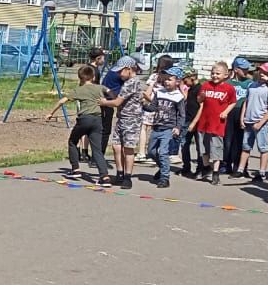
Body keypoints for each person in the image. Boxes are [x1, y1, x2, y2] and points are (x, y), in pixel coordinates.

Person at [47, 64, 110, 184]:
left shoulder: (79, 90)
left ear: (80, 78)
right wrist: (109, 102)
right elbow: (110, 93)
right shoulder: (100, 87)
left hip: (84, 119)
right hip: (97, 120)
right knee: (97, 149)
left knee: (72, 141)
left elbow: (62, 101)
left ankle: (75, 169)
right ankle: (104, 176)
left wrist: (51, 113)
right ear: (93, 77)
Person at [188, 60, 236, 186]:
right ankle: (206, 167)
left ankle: (215, 173)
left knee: (216, 149)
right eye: (213, 73)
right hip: (204, 122)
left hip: (217, 124)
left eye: (218, 74)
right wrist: (201, 97)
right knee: (203, 149)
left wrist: (226, 112)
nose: (215, 76)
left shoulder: (229, 89)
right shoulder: (205, 86)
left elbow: (233, 102)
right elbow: (200, 101)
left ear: (226, 75)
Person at [100, 57, 143, 189]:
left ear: (128, 69)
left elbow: (117, 102)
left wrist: (104, 102)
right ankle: (119, 173)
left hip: (132, 119)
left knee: (128, 148)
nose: (119, 74)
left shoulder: (132, 83)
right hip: (122, 118)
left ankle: (127, 177)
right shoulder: (127, 82)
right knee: (116, 145)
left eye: (120, 72)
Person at [142, 66, 185, 188]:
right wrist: (143, 105)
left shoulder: (179, 96)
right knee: (151, 152)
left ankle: (165, 178)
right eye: (165, 79)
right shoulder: (159, 93)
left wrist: (178, 127)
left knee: (163, 153)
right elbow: (153, 107)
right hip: (156, 127)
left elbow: (182, 115)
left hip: (168, 128)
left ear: (177, 82)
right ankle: (162, 168)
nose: (166, 81)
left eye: (170, 79)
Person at [237, 62, 268, 182]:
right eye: (260, 71)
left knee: (263, 148)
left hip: (260, 122)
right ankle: (240, 169)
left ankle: (262, 172)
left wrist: (261, 123)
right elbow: (246, 102)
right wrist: (242, 117)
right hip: (248, 121)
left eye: (265, 72)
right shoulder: (252, 85)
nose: (261, 74)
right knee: (245, 146)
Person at [223, 56, 253, 174]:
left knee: (241, 140)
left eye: (247, 69)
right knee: (228, 139)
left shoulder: (250, 83)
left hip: (243, 112)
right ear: (236, 69)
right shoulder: (228, 83)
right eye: (243, 69)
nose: (246, 71)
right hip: (230, 112)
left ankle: (240, 166)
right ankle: (226, 164)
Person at [180, 68, 202, 177]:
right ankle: (186, 167)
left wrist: (194, 122)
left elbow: (201, 107)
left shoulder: (200, 89)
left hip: (197, 121)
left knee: (199, 146)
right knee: (184, 144)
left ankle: (200, 168)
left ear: (192, 78)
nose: (184, 83)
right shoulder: (190, 89)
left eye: (185, 80)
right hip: (187, 119)